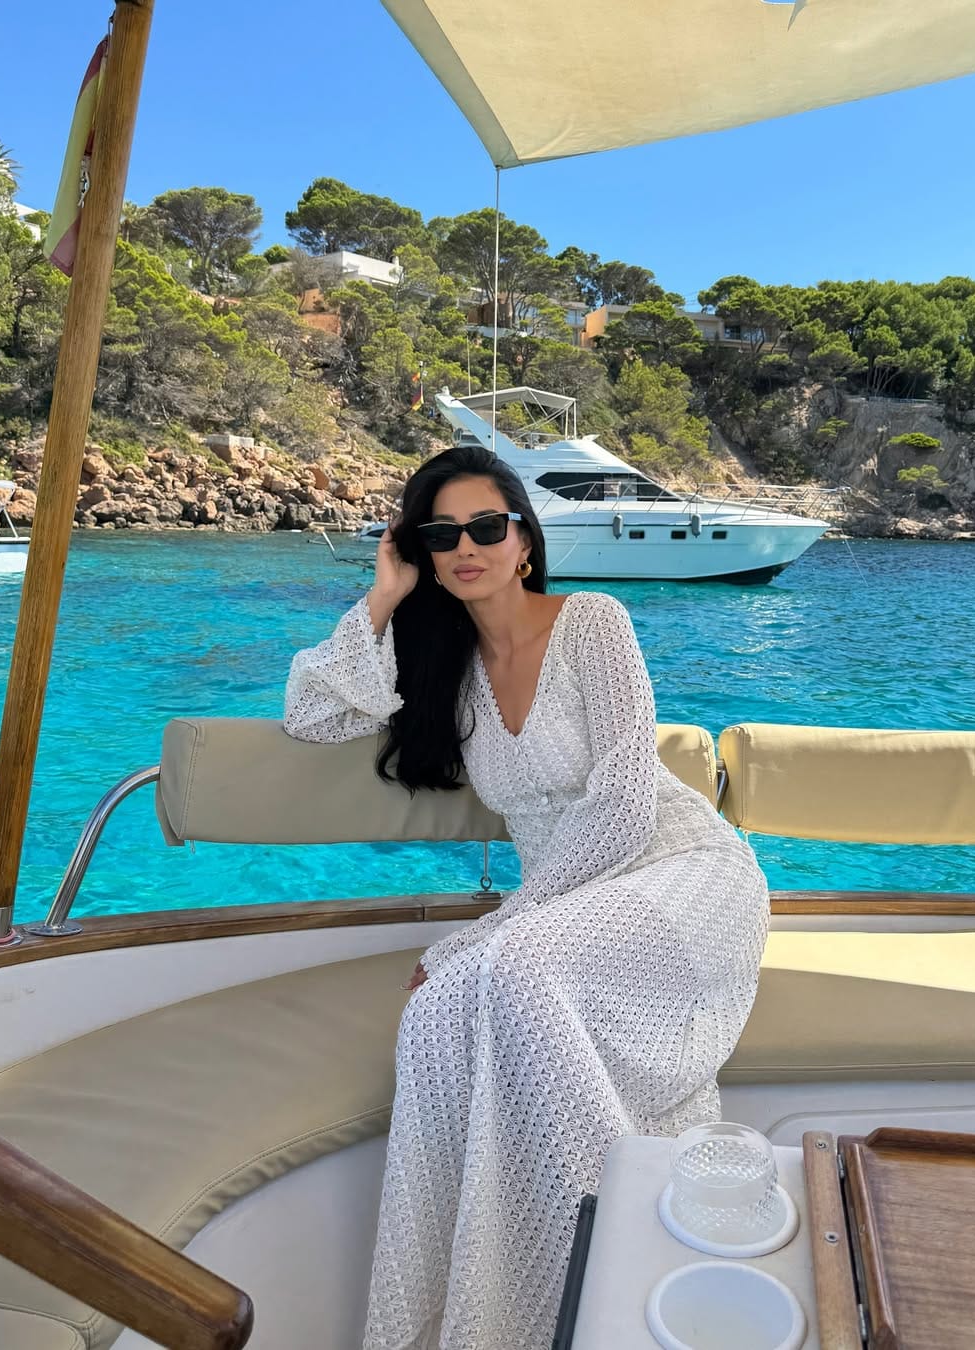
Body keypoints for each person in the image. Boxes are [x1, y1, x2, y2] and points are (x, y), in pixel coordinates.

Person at [283, 444, 770, 1350]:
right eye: (440, 532)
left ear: (523, 542)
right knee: (431, 1025)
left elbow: (625, 807)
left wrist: (491, 930)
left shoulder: (594, 622)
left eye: (486, 526)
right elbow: (310, 716)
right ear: (422, 549)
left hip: (677, 871)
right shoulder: (443, 669)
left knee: (510, 971)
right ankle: (459, 1320)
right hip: (565, 901)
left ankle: (623, 1285)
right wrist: (384, 599)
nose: (466, 545)